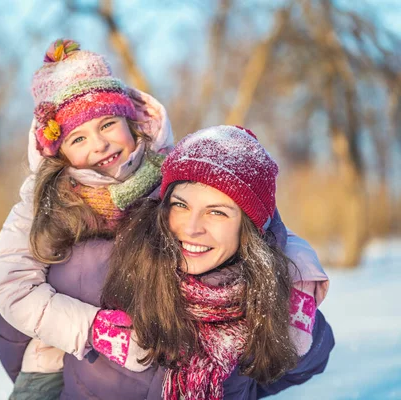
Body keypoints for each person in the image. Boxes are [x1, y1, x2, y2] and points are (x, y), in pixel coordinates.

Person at [0, 38, 175, 399]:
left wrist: (301, 272)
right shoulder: (43, 201)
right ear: (60, 153)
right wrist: (91, 327)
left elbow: (246, 218)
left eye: (107, 124)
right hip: (59, 355)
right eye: (78, 138)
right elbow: (9, 281)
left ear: (130, 120)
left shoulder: (171, 175)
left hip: (156, 359)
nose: (99, 145)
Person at [100, 125, 334, 399]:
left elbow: (311, 358)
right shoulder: (123, 269)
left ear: (249, 228)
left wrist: (250, 385)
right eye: (181, 205)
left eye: (217, 212)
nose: (192, 228)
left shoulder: (267, 303)